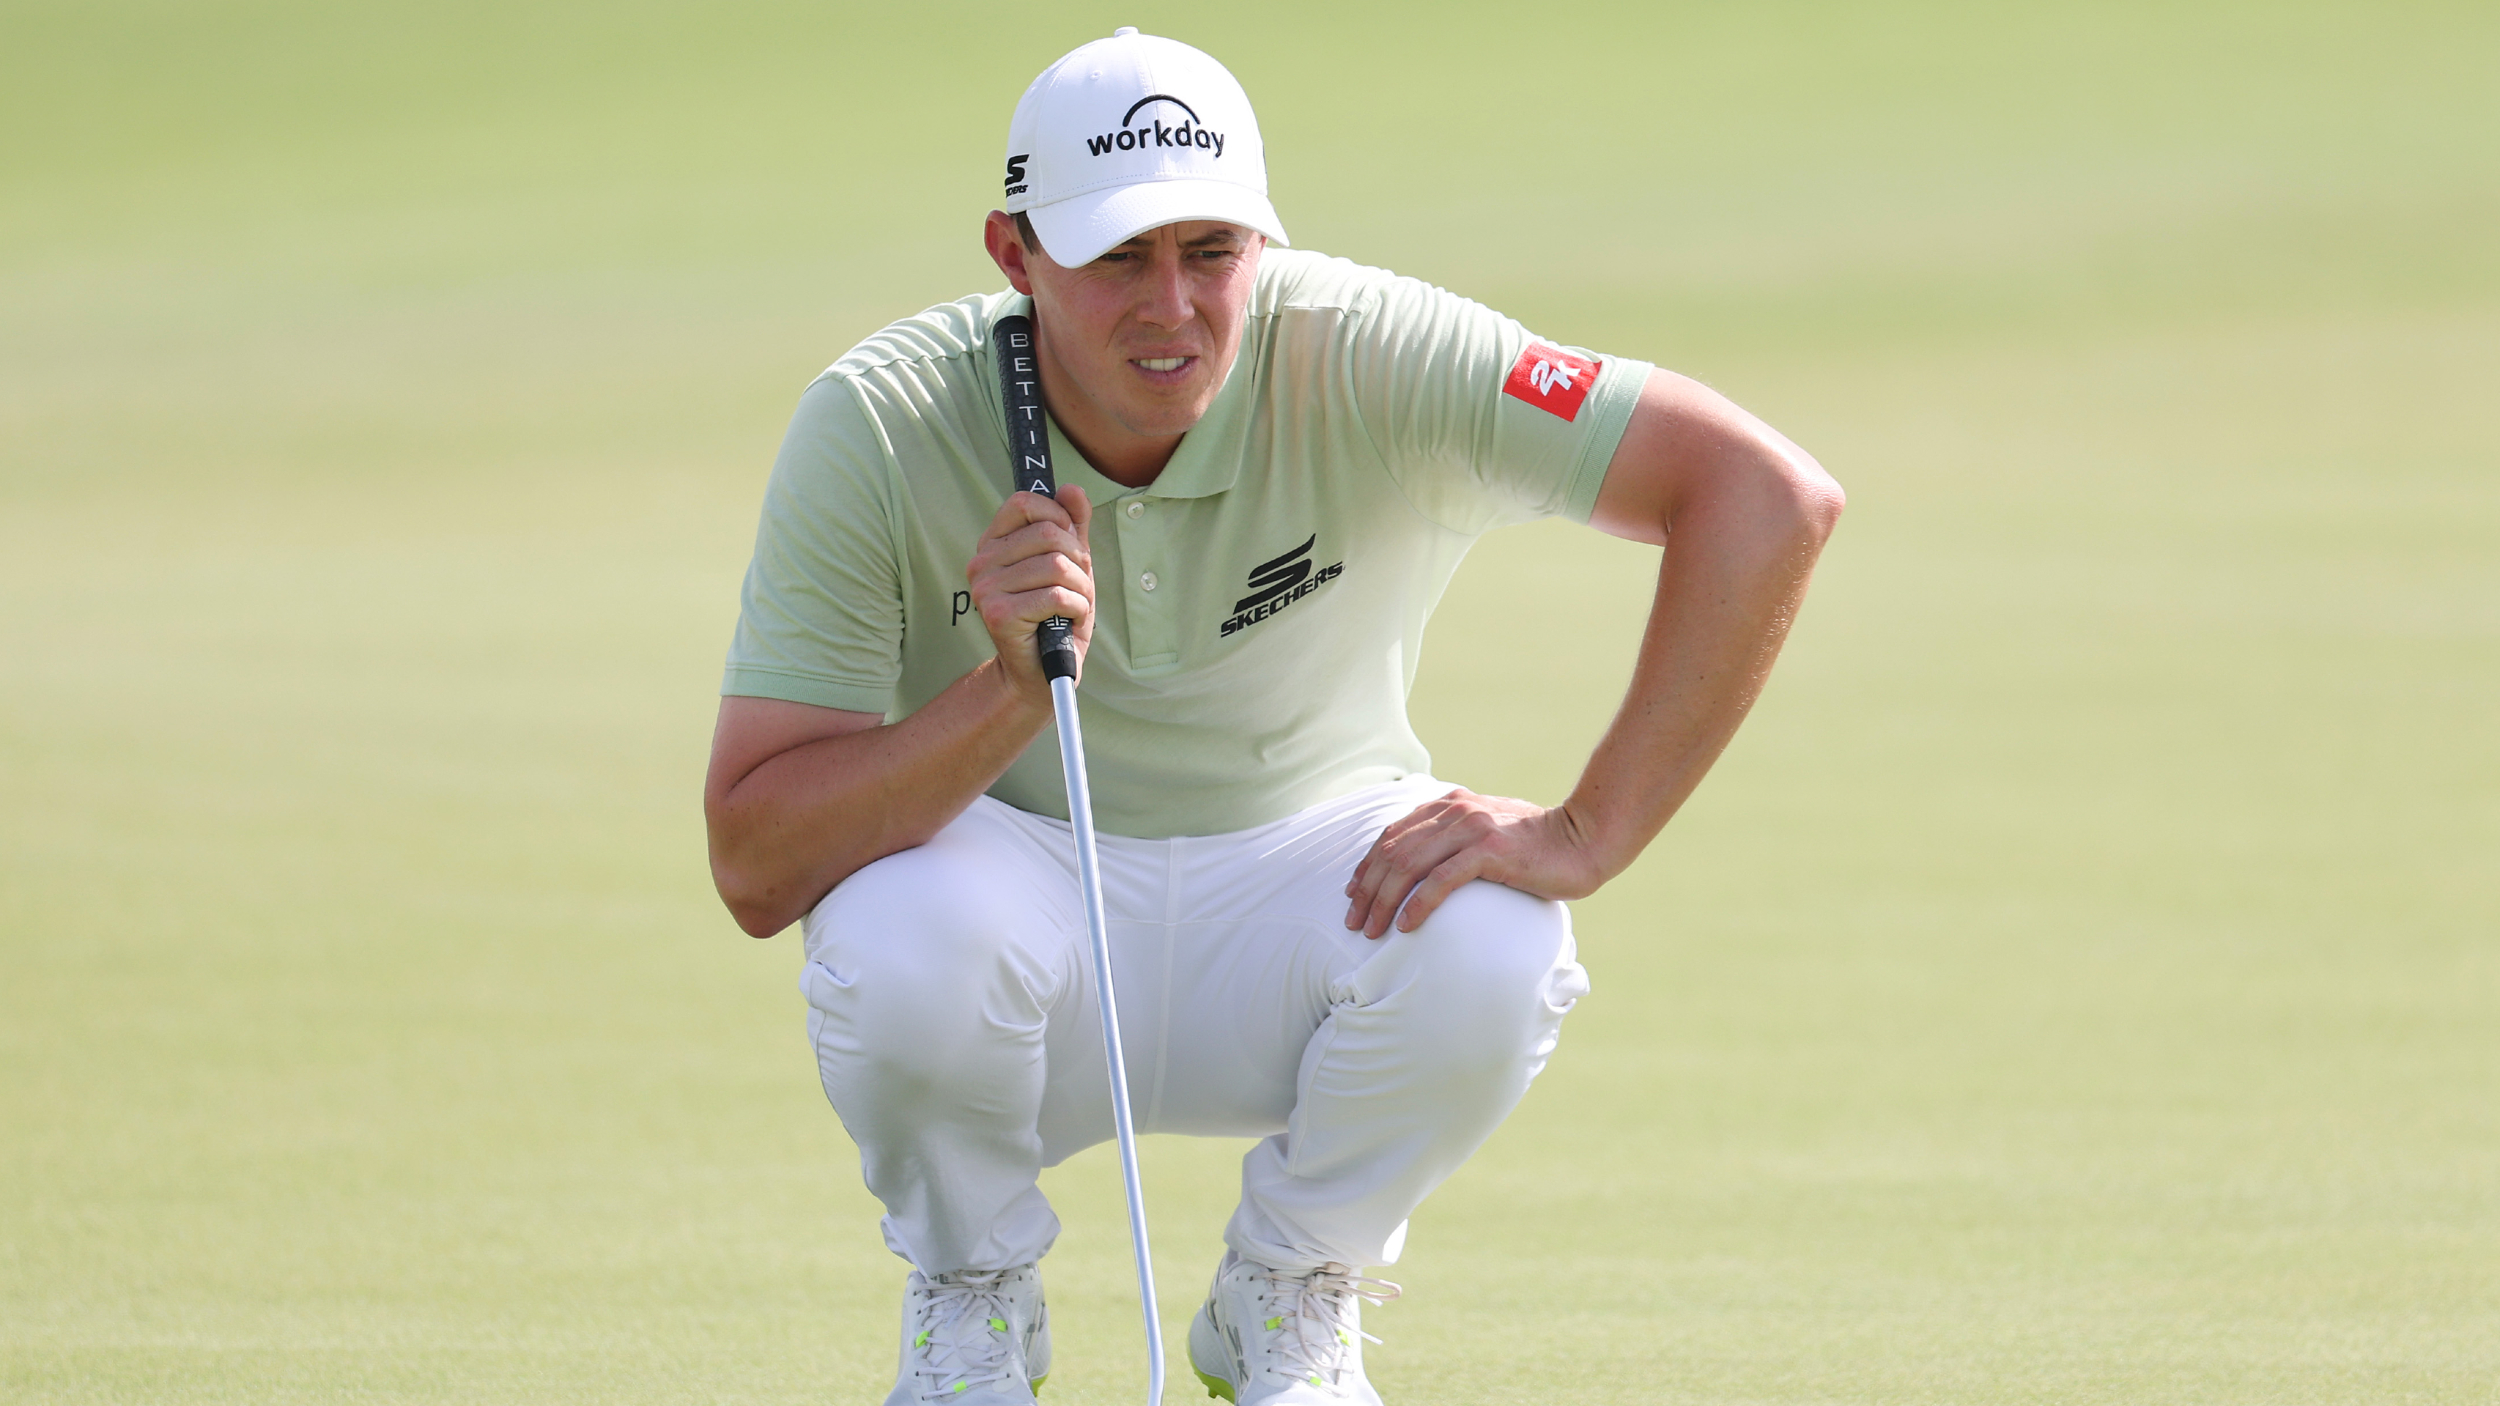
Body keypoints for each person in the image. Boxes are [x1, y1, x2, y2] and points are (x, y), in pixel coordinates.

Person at [703, 27, 1842, 1406]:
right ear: (1015, 256)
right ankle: (975, 1298)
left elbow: (1766, 496)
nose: (1171, 305)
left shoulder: (1373, 349)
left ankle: (1289, 1289)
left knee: (1497, 933)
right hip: (1022, 911)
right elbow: (759, 863)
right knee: (896, 940)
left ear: (1264, 242)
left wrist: (1589, 830)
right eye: (1117, 255)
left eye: (1212, 250)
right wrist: (1007, 693)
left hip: (1307, 892)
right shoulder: (880, 420)